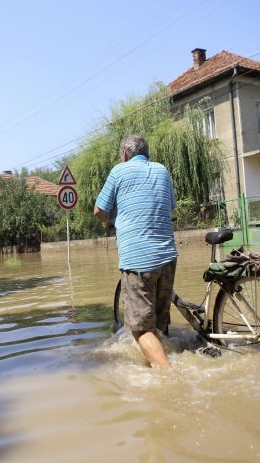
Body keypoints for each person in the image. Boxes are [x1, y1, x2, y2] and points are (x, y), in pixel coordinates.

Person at [94, 134, 178, 370]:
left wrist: (110, 222)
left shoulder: (119, 171)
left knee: (140, 329)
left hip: (138, 260)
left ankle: (170, 376)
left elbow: (99, 210)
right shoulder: (162, 170)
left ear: (124, 154)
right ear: (147, 153)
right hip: (168, 258)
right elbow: (170, 206)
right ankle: (158, 354)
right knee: (159, 324)